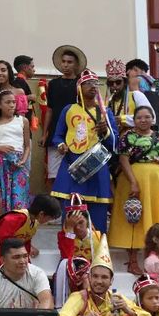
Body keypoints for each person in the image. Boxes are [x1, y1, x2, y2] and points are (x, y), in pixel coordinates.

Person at [50, 68, 118, 232]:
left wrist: (105, 132)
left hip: (97, 167)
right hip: (72, 165)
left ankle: (97, 253)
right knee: (71, 210)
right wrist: (61, 145)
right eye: (87, 83)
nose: (92, 86)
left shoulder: (105, 112)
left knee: (98, 214)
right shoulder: (69, 110)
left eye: (95, 83)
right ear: (79, 87)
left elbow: (115, 143)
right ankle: (69, 254)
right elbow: (57, 136)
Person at [108, 106, 159, 271]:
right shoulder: (128, 136)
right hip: (132, 180)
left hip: (155, 184)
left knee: (154, 219)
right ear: (134, 120)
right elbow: (123, 159)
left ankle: (155, 257)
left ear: (153, 119)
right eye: (139, 118)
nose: (143, 120)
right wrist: (133, 182)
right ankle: (133, 261)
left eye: (147, 117)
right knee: (133, 219)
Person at [0, 194, 61, 283]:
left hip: (13, 252)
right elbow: (4, 238)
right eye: (49, 218)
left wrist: (26, 260)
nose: (49, 221)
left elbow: (25, 242)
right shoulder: (16, 218)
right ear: (41, 214)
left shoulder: (34, 222)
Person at [42, 45, 85, 189]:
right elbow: (49, 109)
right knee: (53, 174)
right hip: (56, 133)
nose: (66, 65)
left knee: (75, 173)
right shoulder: (53, 84)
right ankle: (54, 207)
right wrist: (45, 133)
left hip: (76, 133)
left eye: (70, 62)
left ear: (76, 64)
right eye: (64, 61)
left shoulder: (81, 84)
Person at [0, 89, 31, 212]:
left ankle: (17, 227)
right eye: (8, 102)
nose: (11, 105)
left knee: (19, 199)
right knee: (1, 197)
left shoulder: (23, 121)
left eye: (13, 102)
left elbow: (27, 146)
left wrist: (23, 160)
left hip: (18, 162)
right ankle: (2, 227)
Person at [104, 59, 153, 132]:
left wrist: (122, 119)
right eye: (111, 83)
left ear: (125, 83)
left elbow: (152, 119)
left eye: (118, 82)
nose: (114, 86)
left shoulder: (136, 95)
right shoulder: (109, 101)